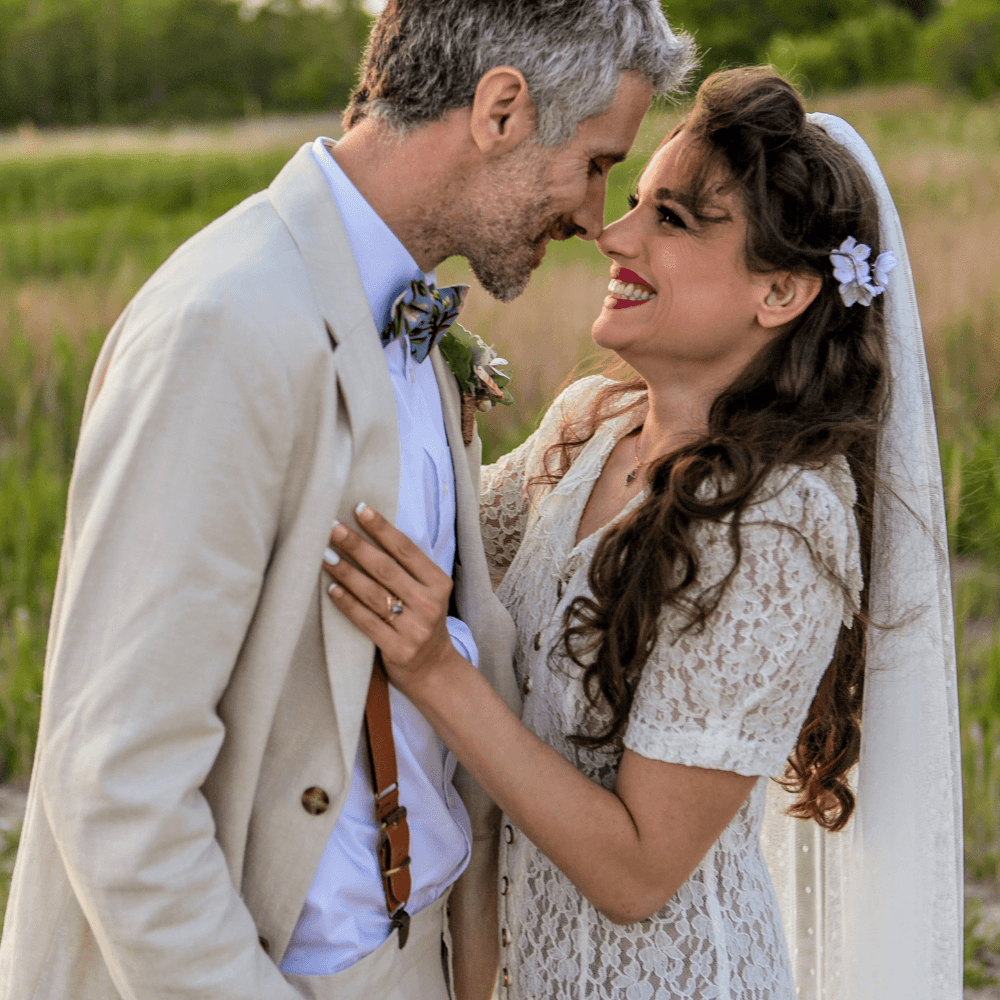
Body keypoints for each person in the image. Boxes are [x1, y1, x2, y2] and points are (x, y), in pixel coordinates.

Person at [0, 3, 694, 999]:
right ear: (501, 108)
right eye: (593, 163)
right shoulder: (225, 326)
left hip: (416, 955)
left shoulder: (412, 328)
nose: (595, 215)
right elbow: (116, 787)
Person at [318, 67, 963, 1000]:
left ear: (780, 293)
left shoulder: (782, 524)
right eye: (630, 201)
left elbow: (637, 872)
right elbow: (433, 560)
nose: (611, 235)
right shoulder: (588, 426)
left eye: (672, 219)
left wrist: (434, 672)